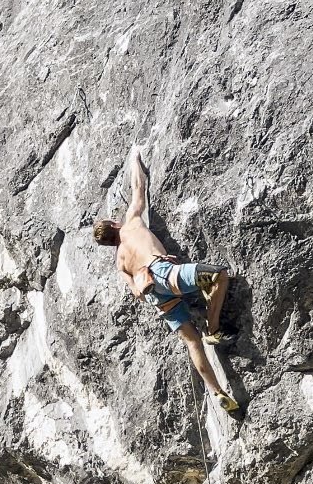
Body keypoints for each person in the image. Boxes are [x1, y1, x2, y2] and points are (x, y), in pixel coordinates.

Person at [93, 147, 239, 412]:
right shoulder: (130, 223)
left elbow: (137, 293)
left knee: (192, 342)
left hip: (154, 295)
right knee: (218, 274)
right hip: (161, 272)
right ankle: (214, 329)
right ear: (114, 225)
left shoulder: (120, 263)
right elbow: (139, 188)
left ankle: (217, 392)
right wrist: (135, 159)